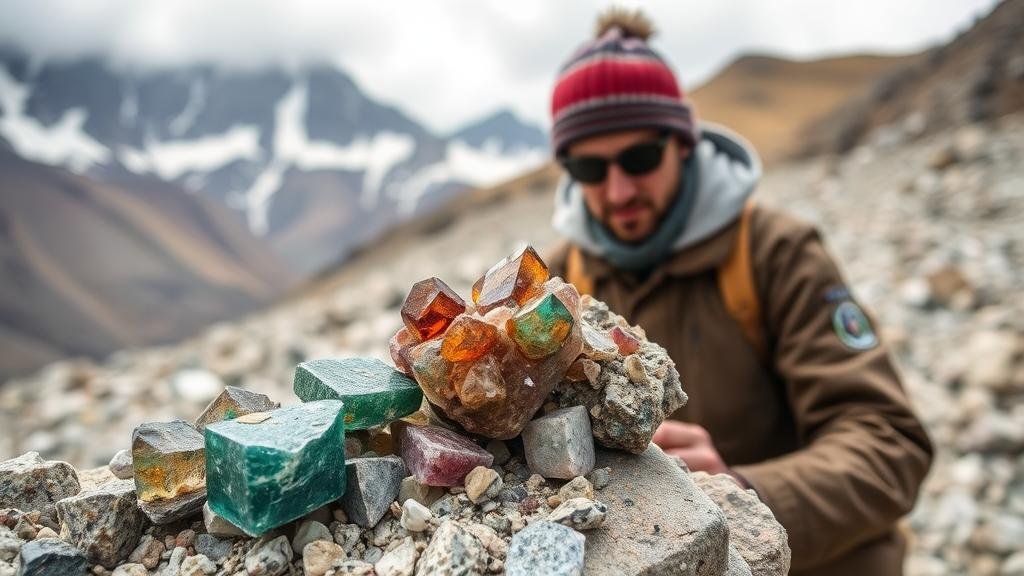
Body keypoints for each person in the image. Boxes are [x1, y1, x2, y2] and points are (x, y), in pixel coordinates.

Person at [545, 9, 933, 576]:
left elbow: (890, 446)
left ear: (681, 143)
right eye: (588, 167)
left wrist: (743, 495)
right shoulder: (561, 283)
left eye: (641, 158)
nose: (618, 189)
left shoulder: (775, 252)